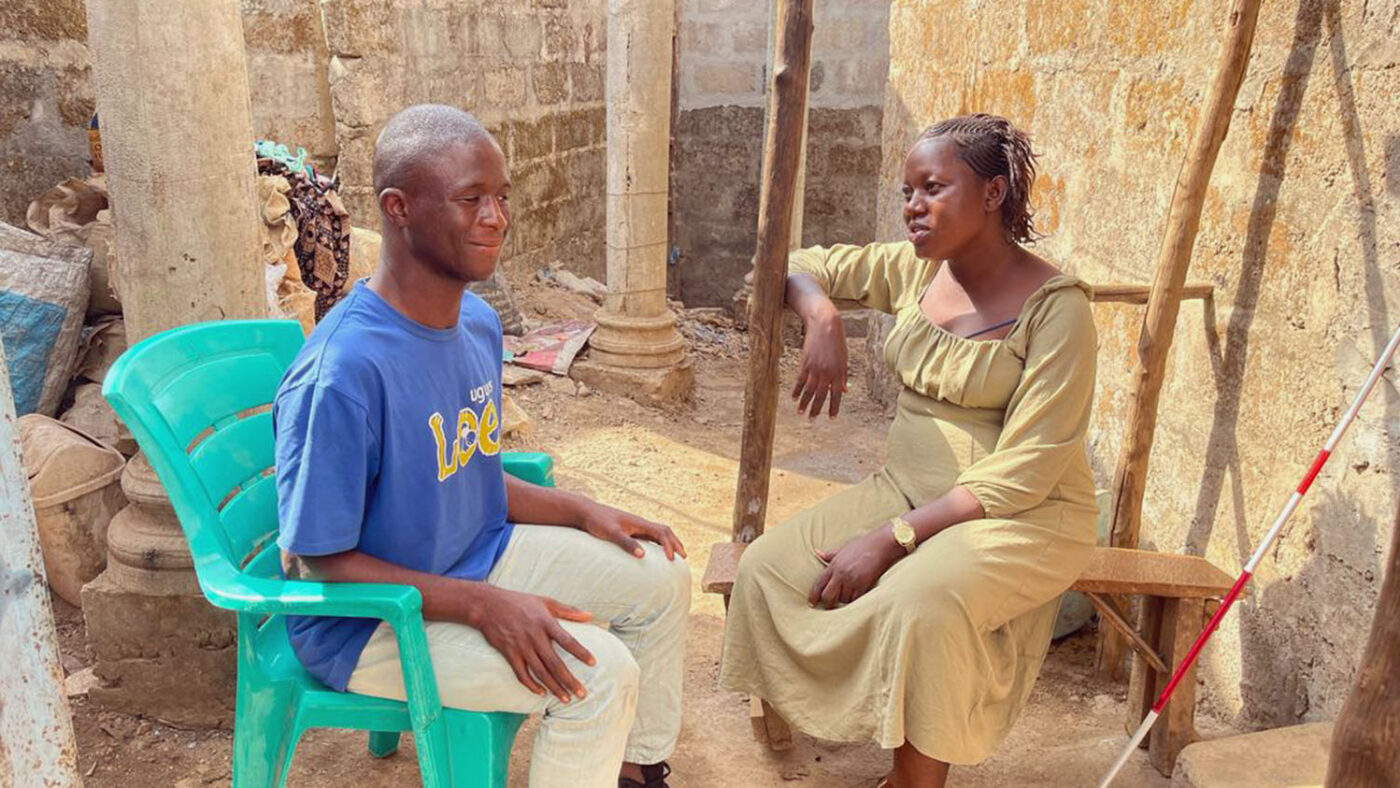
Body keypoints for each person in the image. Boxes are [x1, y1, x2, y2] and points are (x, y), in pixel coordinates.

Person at [274, 104, 689, 788]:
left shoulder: (477, 322)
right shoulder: (343, 374)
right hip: (369, 624)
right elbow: (323, 562)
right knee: (598, 674)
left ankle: (637, 771)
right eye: (471, 200)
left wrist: (582, 510)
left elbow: (467, 473)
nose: (496, 218)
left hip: (474, 557)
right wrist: (481, 605)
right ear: (398, 208)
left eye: (501, 197)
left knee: (659, 575)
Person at [719, 113, 1099, 788]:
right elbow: (790, 264)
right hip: (906, 489)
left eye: (933, 188)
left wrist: (893, 538)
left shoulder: (1057, 309)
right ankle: (845, 716)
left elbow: (1030, 467)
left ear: (993, 193)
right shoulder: (911, 270)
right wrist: (823, 316)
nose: (912, 208)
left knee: (921, 602)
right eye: (906, 192)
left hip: (1022, 515)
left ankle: (912, 781)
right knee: (767, 570)